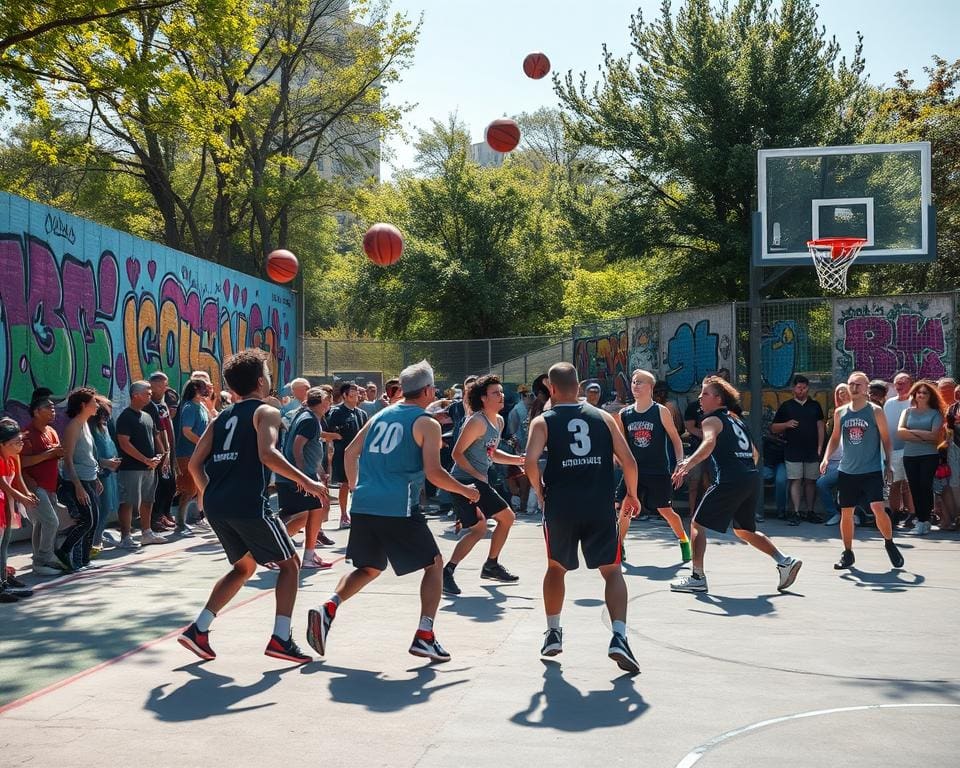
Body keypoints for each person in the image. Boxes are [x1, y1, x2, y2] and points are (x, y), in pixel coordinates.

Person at [305, 360, 481, 663]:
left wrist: (359, 486)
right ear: (427, 390)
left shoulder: (381, 415)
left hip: (364, 503)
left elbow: (350, 453)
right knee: (435, 565)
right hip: (398, 507)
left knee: (370, 567)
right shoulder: (427, 423)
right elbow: (435, 472)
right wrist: (466, 490)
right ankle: (425, 635)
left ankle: (328, 607)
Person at [179, 348, 328, 664]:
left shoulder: (221, 417)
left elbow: (194, 465)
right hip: (248, 502)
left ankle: (198, 630)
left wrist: (213, 496)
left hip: (219, 503)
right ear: (262, 380)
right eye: (269, 374)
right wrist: (309, 481)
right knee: (290, 565)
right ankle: (281, 638)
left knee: (244, 567)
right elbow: (267, 454)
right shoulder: (266, 412)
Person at [524, 362, 642, 673]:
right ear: (579, 386)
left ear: (551, 389)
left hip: (560, 507)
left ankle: (553, 632)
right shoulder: (603, 417)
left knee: (555, 568)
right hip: (599, 506)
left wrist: (538, 490)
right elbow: (629, 461)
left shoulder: (543, 421)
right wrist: (631, 493)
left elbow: (530, 462)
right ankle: (619, 636)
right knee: (612, 571)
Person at [670, 377, 802, 595]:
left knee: (696, 523)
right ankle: (785, 561)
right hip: (750, 477)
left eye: (705, 393)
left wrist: (687, 463)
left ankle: (697, 577)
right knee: (744, 530)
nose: (700, 397)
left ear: (718, 398)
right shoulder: (736, 420)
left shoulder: (710, 420)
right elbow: (755, 454)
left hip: (731, 478)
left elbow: (708, 442)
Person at [442, 375, 526, 596]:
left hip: (478, 481)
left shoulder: (498, 420)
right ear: (483, 398)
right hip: (463, 481)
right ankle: (450, 572)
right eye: (495, 393)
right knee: (484, 527)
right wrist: (477, 475)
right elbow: (456, 454)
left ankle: (489, 565)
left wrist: (517, 460)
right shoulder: (476, 421)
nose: (501, 396)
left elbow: (492, 453)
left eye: (501, 392)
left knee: (489, 525)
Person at [820, 371, 904, 571]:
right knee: (846, 512)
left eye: (858, 384)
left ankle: (889, 543)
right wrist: (825, 458)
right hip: (847, 471)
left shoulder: (875, 411)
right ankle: (847, 553)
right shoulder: (841, 413)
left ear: (866, 388)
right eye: (851, 384)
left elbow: (886, 439)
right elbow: (834, 438)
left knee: (877, 508)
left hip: (871, 469)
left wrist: (889, 463)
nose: (854, 387)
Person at [616, 369, 690, 562]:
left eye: (640, 382)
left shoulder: (660, 411)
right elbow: (622, 443)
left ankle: (683, 540)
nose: (635, 386)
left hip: (657, 470)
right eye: (633, 382)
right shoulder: (625, 413)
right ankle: (619, 545)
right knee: (626, 508)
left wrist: (680, 462)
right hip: (634, 471)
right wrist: (617, 458)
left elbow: (676, 439)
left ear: (650, 387)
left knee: (665, 511)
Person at [277, 386, 334, 569]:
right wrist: (303, 477)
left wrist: (318, 471)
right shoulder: (308, 419)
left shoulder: (309, 417)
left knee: (313, 511)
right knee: (305, 516)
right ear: (322, 402)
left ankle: (309, 554)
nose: (330, 403)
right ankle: (274, 548)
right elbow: (297, 447)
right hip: (297, 477)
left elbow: (310, 449)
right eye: (328, 400)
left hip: (300, 476)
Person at [19, 395, 68, 576]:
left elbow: (53, 454)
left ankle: (39, 561)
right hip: (34, 486)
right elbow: (21, 462)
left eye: (54, 408)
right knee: (51, 522)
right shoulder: (27, 434)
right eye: (49, 408)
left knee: (41, 524)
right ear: (36, 411)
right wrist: (48, 454)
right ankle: (45, 557)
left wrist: (57, 454)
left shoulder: (52, 431)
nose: (53, 411)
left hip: (51, 485)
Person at [55, 388, 103, 570]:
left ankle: (84, 560)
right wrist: (77, 486)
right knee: (86, 520)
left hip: (90, 478)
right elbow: (68, 460)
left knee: (94, 521)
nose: (97, 405)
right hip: (78, 481)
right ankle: (64, 551)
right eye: (94, 402)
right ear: (83, 405)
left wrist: (96, 477)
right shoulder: (73, 426)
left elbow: (88, 456)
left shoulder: (85, 425)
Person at [771, 375, 825, 525]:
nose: (801, 390)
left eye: (804, 387)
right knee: (795, 480)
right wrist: (786, 424)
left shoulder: (815, 406)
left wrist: (820, 448)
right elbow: (774, 428)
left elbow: (820, 427)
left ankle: (810, 511)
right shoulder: (786, 406)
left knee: (811, 481)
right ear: (793, 388)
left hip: (812, 451)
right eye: (799, 387)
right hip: (792, 450)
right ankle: (795, 512)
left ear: (808, 388)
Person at [897, 380, 945, 536]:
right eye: (919, 392)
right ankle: (921, 520)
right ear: (915, 394)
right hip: (910, 455)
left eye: (925, 392)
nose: (922, 395)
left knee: (925, 486)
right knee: (915, 488)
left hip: (929, 456)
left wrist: (912, 434)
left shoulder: (935, 413)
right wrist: (924, 436)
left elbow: (935, 436)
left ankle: (925, 519)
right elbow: (901, 432)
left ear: (930, 395)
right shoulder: (908, 412)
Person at [0, 418, 38, 602]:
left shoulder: (11, 459)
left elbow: (16, 479)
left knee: (4, 544)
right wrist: (21, 497)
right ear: (3, 444)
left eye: (21, 440)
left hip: (5, 505)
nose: (20, 445)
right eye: (16, 442)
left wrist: (25, 493)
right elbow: (3, 484)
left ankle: (3, 581)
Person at [323, 382, 368, 529]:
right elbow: (326, 432)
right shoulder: (335, 412)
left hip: (360, 455)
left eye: (357, 394)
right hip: (342, 454)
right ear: (344, 395)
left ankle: (360, 514)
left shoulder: (361, 414)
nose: (356, 397)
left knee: (361, 485)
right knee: (345, 484)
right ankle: (343, 515)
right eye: (352, 395)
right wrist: (334, 439)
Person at [818, 384, 859, 526]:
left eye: (844, 392)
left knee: (846, 487)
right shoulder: (834, 412)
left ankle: (853, 514)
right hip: (833, 459)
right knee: (822, 484)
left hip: (849, 459)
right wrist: (826, 458)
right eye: (839, 393)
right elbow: (832, 437)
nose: (842, 395)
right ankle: (833, 513)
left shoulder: (857, 411)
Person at [175, 378, 211, 530]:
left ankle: (200, 517)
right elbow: (186, 431)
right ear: (195, 389)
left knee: (200, 487)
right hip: (187, 454)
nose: (207, 390)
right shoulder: (189, 407)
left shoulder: (201, 406)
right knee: (189, 489)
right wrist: (202, 443)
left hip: (199, 454)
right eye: (203, 387)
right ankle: (180, 523)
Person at [146, 372, 177, 533]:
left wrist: (170, 451)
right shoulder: (149, 405)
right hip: (159, 453)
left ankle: (165, 513)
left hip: (169, 450)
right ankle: (155, 518)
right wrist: (162, 451)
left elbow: (167, 429)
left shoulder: (163, 404)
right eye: (164, 385)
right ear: (155, 385)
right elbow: (157, 431)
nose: (166, 388)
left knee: (171, 485)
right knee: (161, 485)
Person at [89, 399, 122, 553]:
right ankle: (93, 542)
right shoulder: (90, 429)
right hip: (98, 473)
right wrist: (105, 462)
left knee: (107, 508)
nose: (106, 418)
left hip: (109, 473)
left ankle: (97, 538)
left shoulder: (105, 427)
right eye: (104, 414)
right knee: (101, 509)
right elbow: (89, 454)